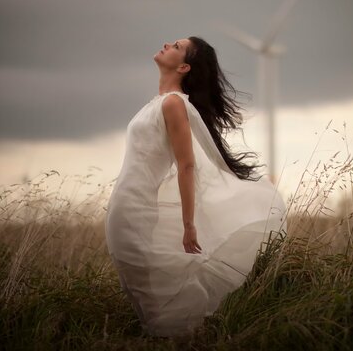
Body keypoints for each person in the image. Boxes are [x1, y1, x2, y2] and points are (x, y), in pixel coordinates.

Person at [104, 36, 286, 337]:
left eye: (176, 46)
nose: (167, 44)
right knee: (142, 294)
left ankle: (183, 336)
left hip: (136, 210)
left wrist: (189, 225)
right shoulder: (158, 103)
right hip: (123, 207)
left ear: (185, 66)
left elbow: (186, 165)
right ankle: (174, 336)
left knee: (154, 299)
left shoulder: (174, 104)